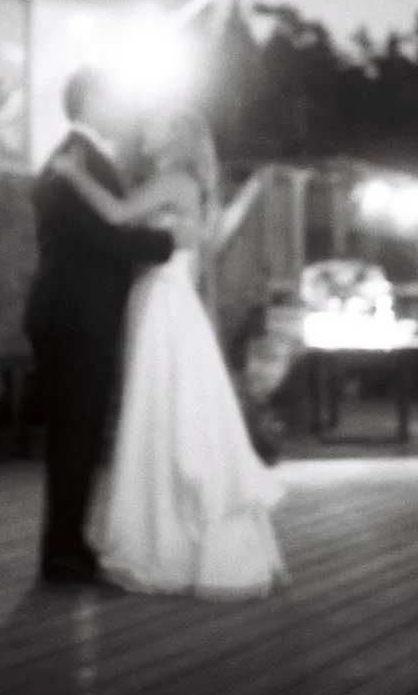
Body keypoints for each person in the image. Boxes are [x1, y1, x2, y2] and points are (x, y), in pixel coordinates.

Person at [50, 106, 289, 599]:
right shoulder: (191, 185)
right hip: (171, 300)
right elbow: (199, 253)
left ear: (177, 135)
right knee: (170, 414)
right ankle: (175, 538)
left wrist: (73, 174)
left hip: (162, 303)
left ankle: (167, 544)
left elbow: (116, 215)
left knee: (160, 414)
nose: (146, 129)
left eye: (155, 124)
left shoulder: (174, 179)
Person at [23, 67, 178, 586]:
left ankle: (67, 542)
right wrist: (170, 245)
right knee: (76, 432)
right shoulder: (77, 159)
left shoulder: (78, 159)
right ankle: (62, 551)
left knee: (78, 433)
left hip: (70, 313)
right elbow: (103, 237)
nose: (124, 109)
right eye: (116, 96)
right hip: (76, 316)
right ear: (92, 99)